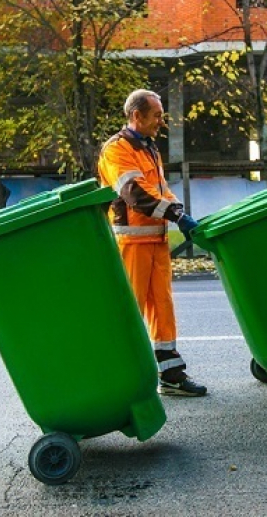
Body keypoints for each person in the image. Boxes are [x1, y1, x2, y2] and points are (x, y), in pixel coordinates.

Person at [98, 89, 207, 397]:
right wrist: (176, 215)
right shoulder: (116, 150)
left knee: (162, 308)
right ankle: (116, 378)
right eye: (156, 115)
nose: (161, 121)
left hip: (155, 241)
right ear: (137, 116)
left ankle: (171, 374)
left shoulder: (149, 149)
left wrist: (182, 214)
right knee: (129, 312)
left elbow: (160, 191)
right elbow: (134, 193)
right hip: (130, 244)